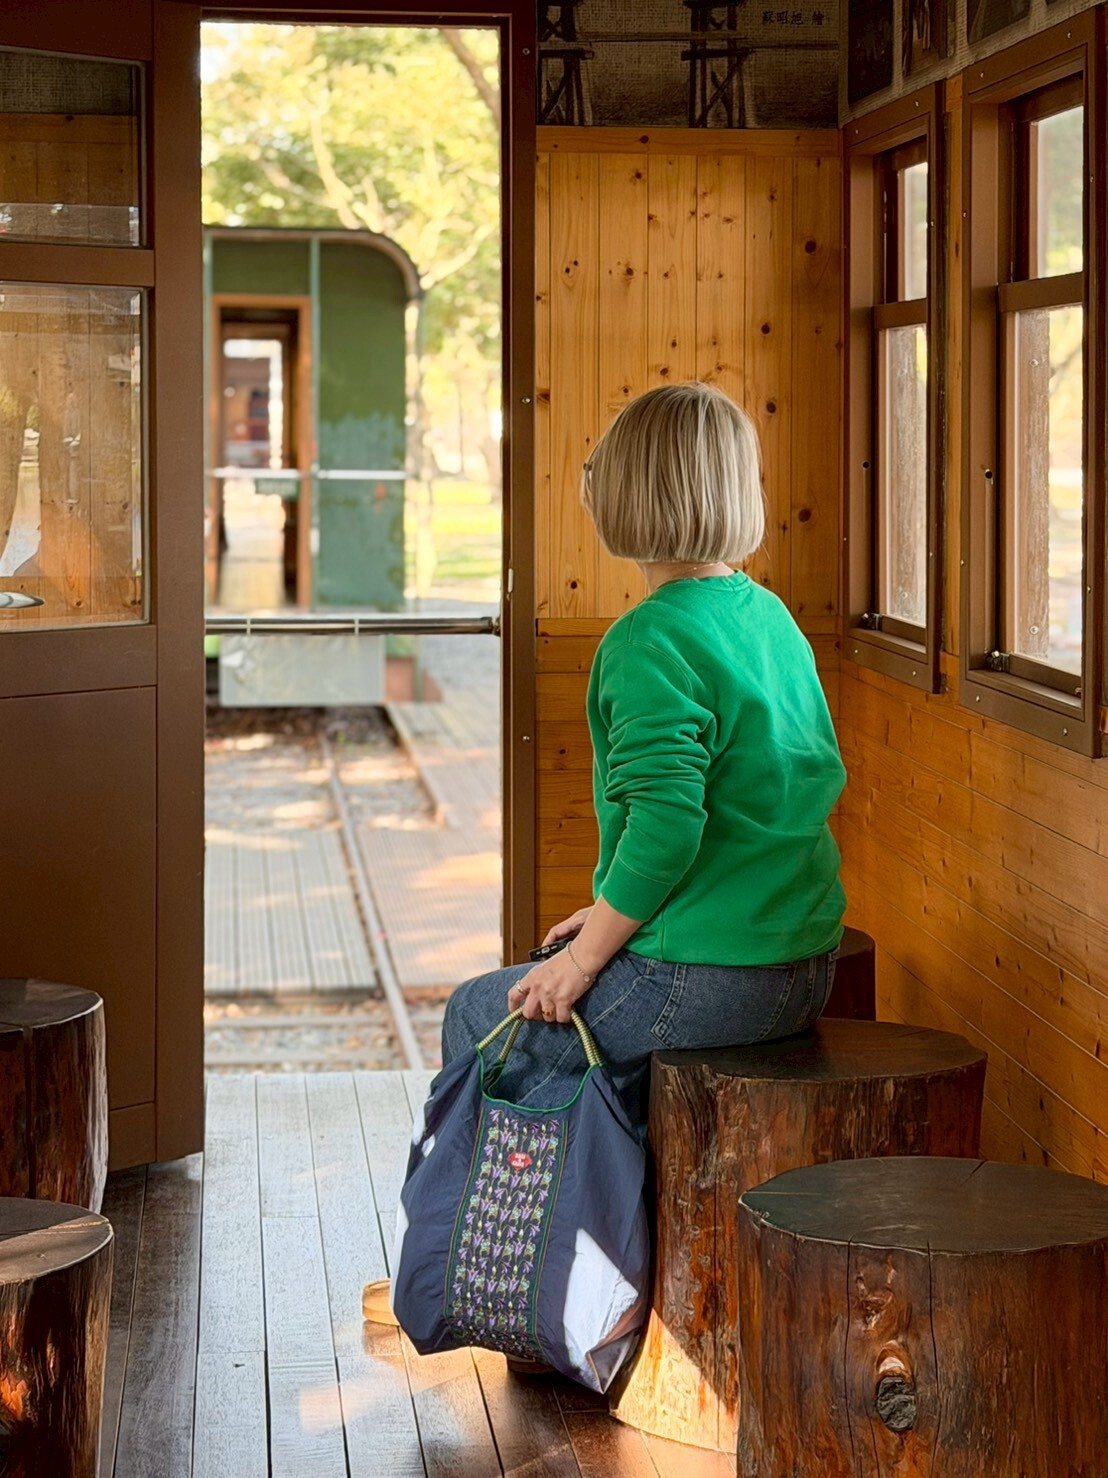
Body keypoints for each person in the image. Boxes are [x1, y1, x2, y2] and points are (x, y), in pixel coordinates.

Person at [364, 380, 845, 1325]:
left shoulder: (648, 640)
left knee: (482, 1015)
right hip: (801, 962)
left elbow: (670, 827)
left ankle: (494, 1276)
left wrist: (587, 960)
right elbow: (754, 799)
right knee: (555, 1003)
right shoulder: (768, 617)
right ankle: (591, 1258)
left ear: (630, 494)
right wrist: (605, 921)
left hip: (714, 975)